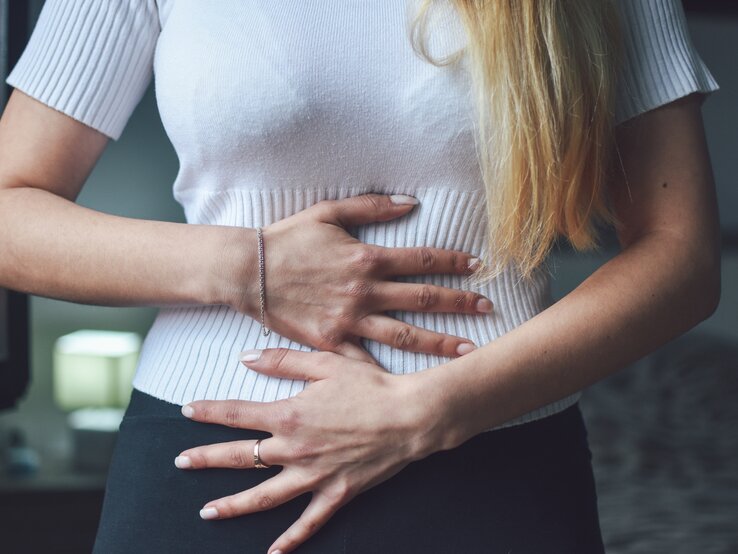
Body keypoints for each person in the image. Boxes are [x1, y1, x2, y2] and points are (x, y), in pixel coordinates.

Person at [0, 0, 721, 552]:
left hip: (494, 460)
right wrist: (247, 267)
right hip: (210, 462)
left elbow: (680, 253)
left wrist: (423, 413)